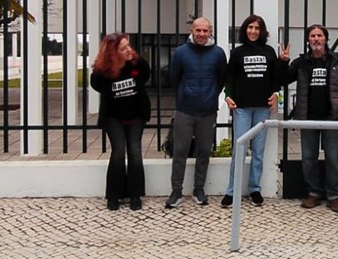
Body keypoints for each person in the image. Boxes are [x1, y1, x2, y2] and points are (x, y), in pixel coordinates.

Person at [221, 14, 290, 208]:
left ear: (262, 31)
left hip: (263, 107)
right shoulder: (237, 52)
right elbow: (229, 77)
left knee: (258, 151)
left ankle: (254, 189)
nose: (253, 31)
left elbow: (276, 78)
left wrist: (283, 63)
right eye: (250, 27)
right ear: (245, 30)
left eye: (257, 28)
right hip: (242, 107)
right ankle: (231, 191)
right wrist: (227, 95)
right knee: (239, 150)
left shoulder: (269, 51)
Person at [287, 23, 338, 213]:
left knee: (332, 157)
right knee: (309, 158)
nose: (316, 39)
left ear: (326, 39)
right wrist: (283, 62)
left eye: (319, 35)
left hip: (331, 118)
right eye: (312, 36)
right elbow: (283, 78)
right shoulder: (301, 62)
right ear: (308, 40)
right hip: (308, 118)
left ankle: (333, 196)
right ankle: (313, 193)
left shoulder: (336, 60)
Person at [165, 17, 227, 209]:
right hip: (185, 109)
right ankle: (176, 190)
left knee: (204, 151)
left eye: (205, 30)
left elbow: (221, 79)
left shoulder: (218, 53)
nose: (201, 34)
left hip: (208, 111)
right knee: (180, 151)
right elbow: (174, 78)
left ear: (210, 31)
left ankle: (199, 188)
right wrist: (185, 95)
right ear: (192, 30)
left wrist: (211, 96)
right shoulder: (181, 53)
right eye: (198, 30)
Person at [90, 32, 151, 211]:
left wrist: (135, 59)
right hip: (113, 117)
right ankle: (114, 195)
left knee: (135, 152)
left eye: (128, 46)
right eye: (123, 48)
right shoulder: (102, 71)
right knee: (118, 152)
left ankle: (135, 194)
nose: (128, 50)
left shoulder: (137, 64)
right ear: (113, 52)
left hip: (136, 115)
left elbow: (146, 75)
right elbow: (96, 85)